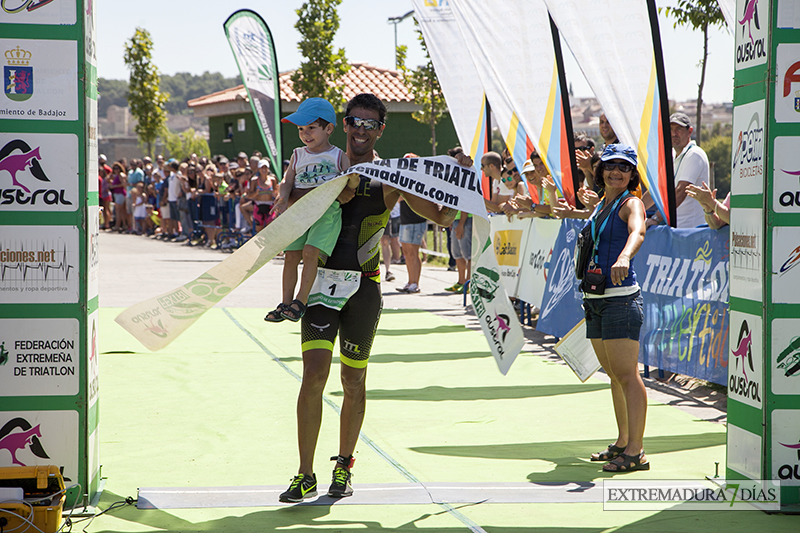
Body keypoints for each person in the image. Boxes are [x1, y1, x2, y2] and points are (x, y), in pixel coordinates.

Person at [278, 93, 462, 503]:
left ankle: (343, 466)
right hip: (321, 287)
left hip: (363, 289)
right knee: (313, 378)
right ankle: (304, 473)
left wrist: (451, 179)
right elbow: (284, 208)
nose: (360, 130)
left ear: (380, 130)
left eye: (369, 124)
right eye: (353, 122)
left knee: (353, 380)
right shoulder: (318, 161)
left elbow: (443, 218)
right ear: (342, 125)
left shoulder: (392, 178)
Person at [580, 143, 649, 473]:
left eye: (624, 167)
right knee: (615, 375)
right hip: (595, 300)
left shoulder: (630, 202)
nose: (616, 172)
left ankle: (636, 451)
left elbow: (638, 230)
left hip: (620, 300)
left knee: (627, 375)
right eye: (610, 166)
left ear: (632, 174)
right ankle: (623, 441)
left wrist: (624, 256)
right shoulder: (601, 205)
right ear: (601, 171)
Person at [266, 97, 358, 322]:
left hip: (326, 212)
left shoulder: (338, 156)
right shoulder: (298, 154)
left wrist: (354, 180)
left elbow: (350, 185)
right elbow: (288, 180)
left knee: (310, 253)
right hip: (299, 212)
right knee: (291, 255)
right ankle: (285, 303)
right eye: (300, 129)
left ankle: (300, 301)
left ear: (328, 129)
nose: (305, 134)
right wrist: (283, 196)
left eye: (311, 128)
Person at [645, 112, 709, 229]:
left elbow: (681, 191)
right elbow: (656, 189)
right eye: (670, 129)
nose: (674, 134)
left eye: (678, 129)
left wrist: (655, 219)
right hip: (676, 231)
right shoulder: (671, 154)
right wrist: (636, 210)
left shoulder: (694, 154)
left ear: (690, 131)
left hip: (693, 231)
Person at [444, 210, 472, 292]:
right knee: (457, 254)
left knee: (468, 254)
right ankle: (461, 281)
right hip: (456, 220)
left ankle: (468, 284)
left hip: (465, 220)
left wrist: (461, 224)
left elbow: (465, 205)